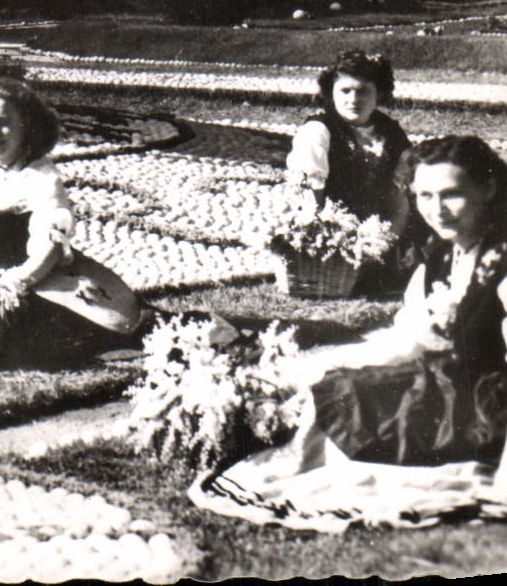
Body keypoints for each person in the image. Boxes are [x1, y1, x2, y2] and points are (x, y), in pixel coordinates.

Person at [193, 136, 507, 530]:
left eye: (452, 195)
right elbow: (412, 336)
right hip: (449, 377)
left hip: (488, 400)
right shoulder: (445, 252)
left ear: (489, 188)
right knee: (341, 386)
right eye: (425, 195)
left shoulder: (502, 262)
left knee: (358, 399)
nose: (437, 210)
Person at [0, 78, 147, 363]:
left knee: (101, 327)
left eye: (4, 123)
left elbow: (47, 251)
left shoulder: (41, 177)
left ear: (26, 125)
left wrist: (12, 286)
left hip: (36, 275)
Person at [285, 50, 414, 289]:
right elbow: (311, 203)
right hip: (332, 236)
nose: (354, 99)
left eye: (363, 91)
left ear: (380, 94)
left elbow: (400, 200)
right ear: (331, 93)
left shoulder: (391, 132)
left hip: (382, 233)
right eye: (345, 91)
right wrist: (334, 243)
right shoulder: (318, 131)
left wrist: (382, 245)